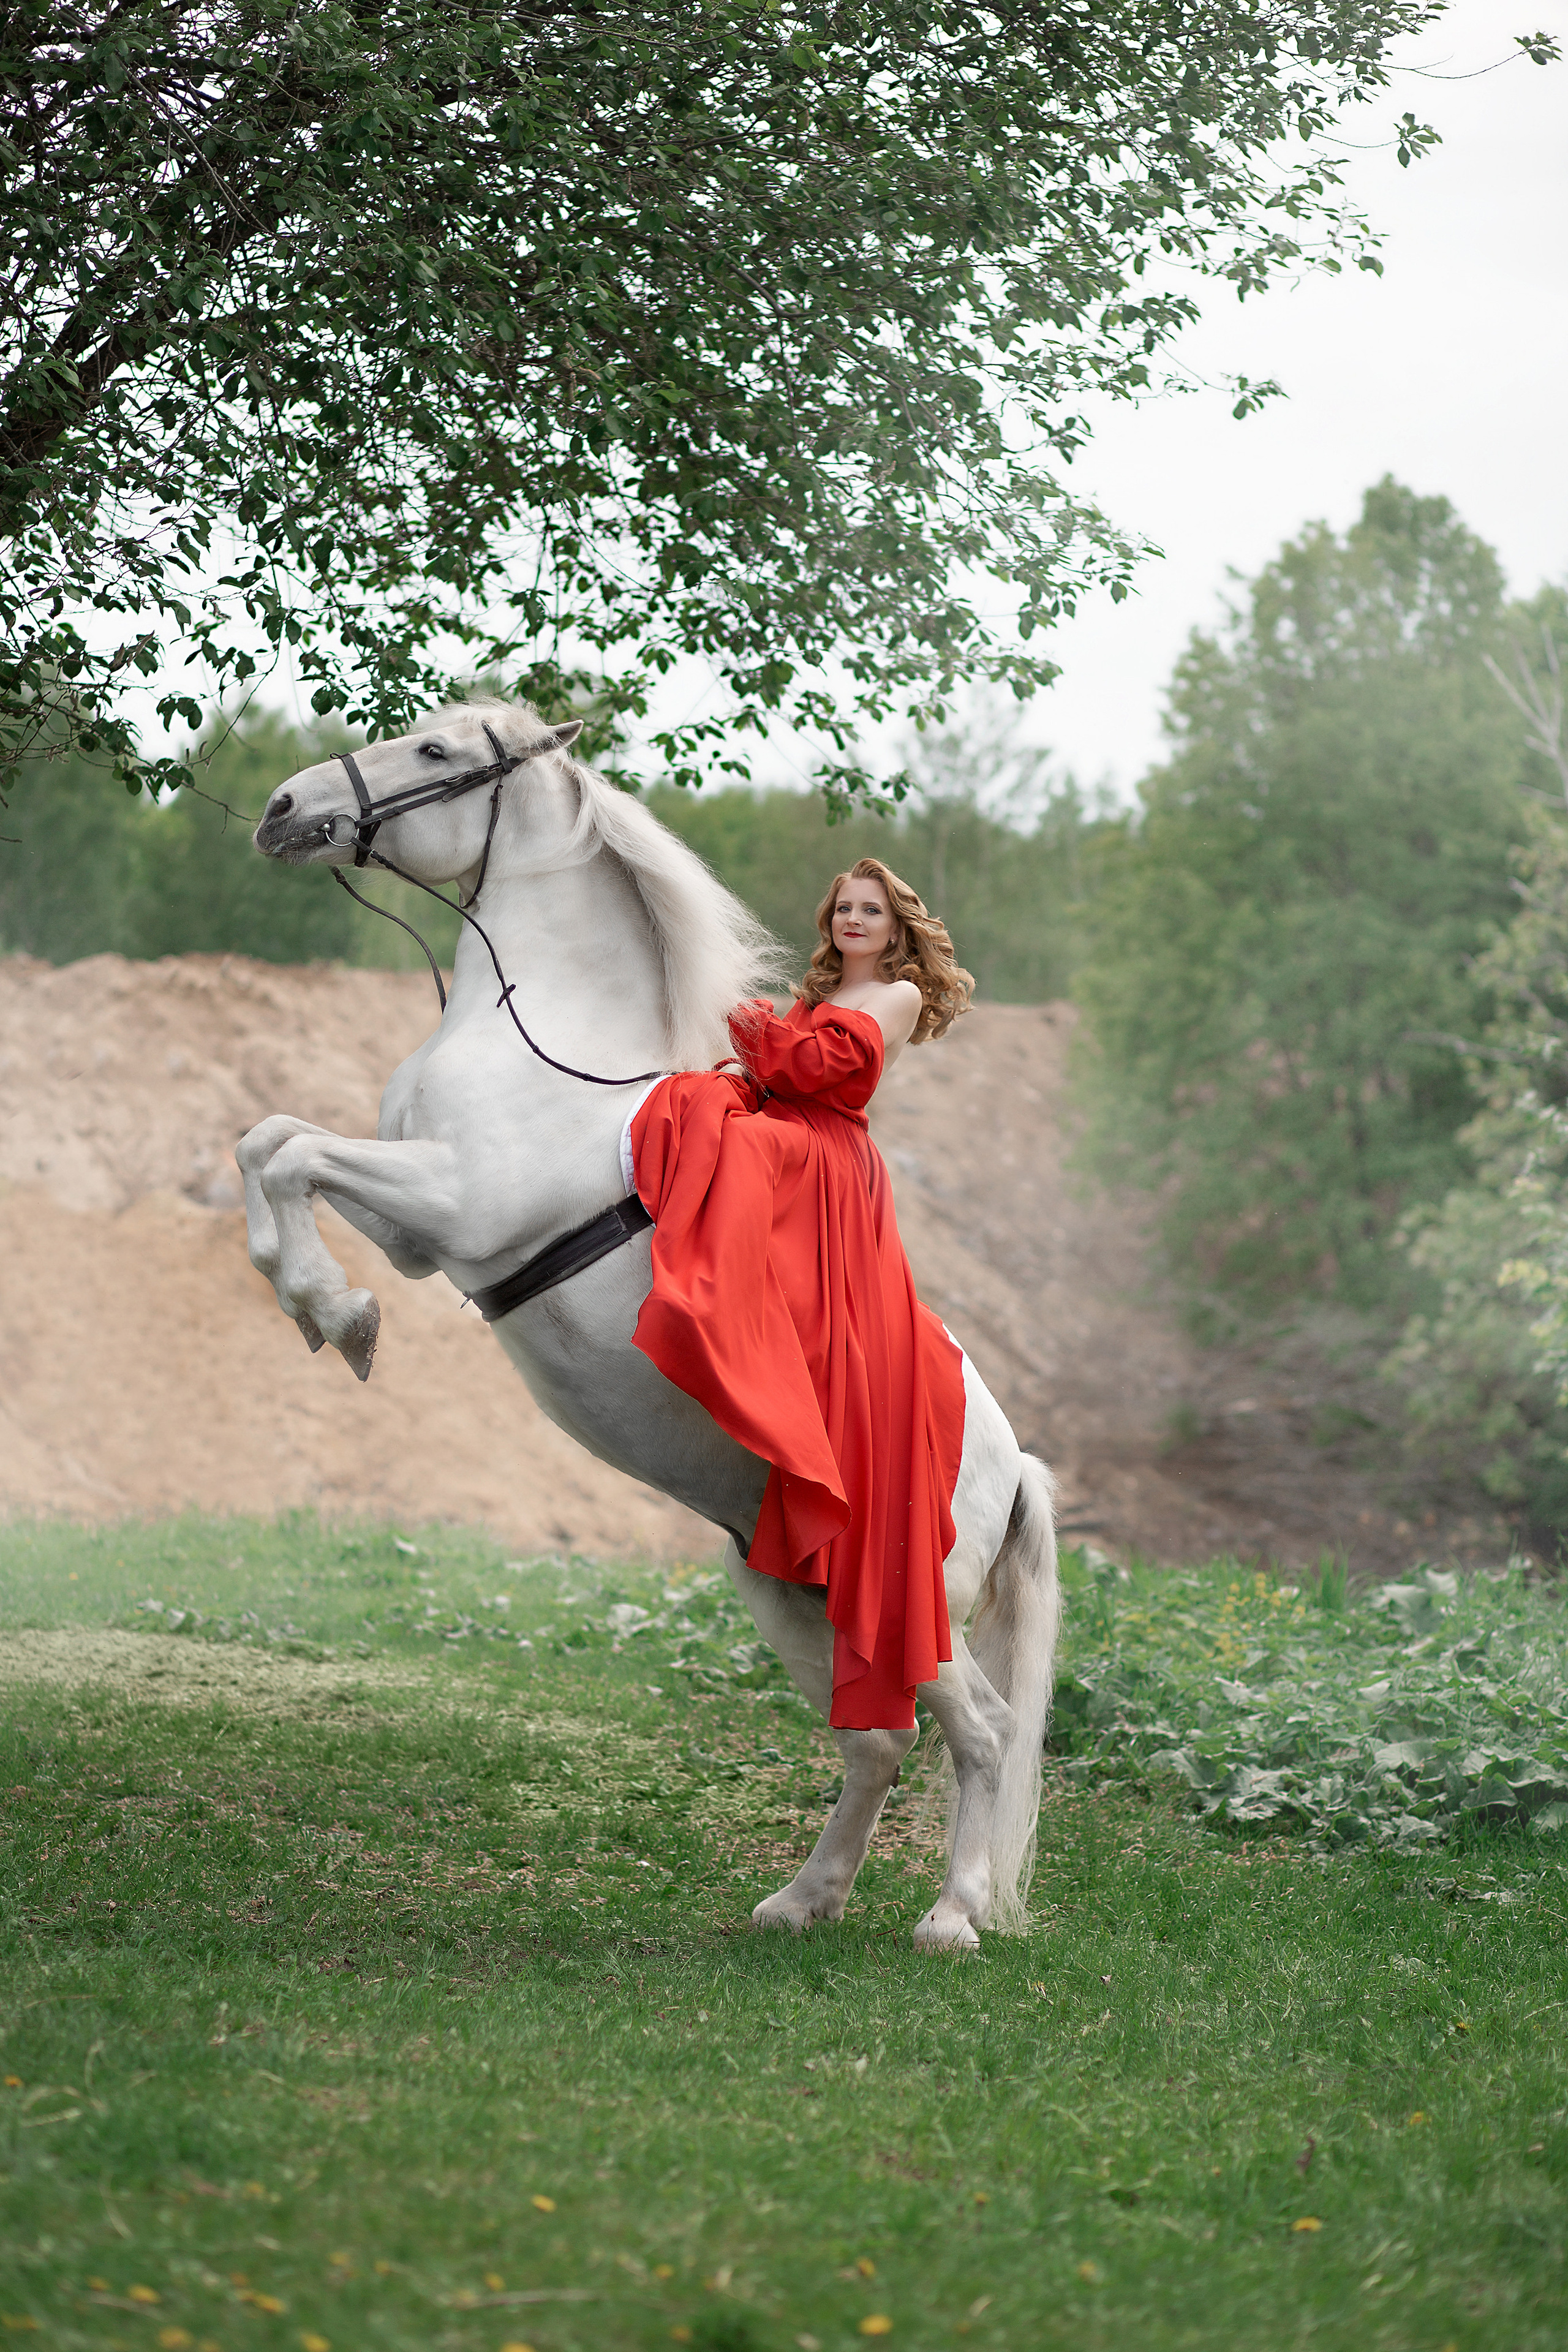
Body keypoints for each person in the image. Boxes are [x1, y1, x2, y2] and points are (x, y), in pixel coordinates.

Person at [628, 858, 975, 1731]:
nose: (856, 921)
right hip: (795, 1138)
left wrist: (735, 1011)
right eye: (844, 909)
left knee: (734, 1143)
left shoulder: (891, 996)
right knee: (695, 1103)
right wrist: (740, 1054)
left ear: (897, 929)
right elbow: (776, 1069)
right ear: (829, 921)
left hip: (827, 1159)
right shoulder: (810, 994)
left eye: (872, 911)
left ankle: (701, 1296)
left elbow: (816, 1069)